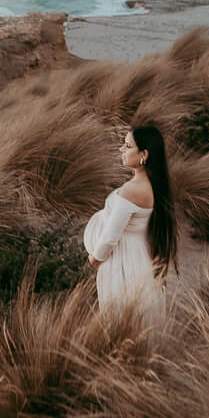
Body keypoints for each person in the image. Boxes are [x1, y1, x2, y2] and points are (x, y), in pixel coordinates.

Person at [83, 122, 178, 312]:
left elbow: (110, 236)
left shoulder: (131, 191)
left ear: (144, 155)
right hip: (140, 258)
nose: (121, 149)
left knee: (121, 320)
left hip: (123, 263)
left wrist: (94, 259)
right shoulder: (154, 186)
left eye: (127, 145)